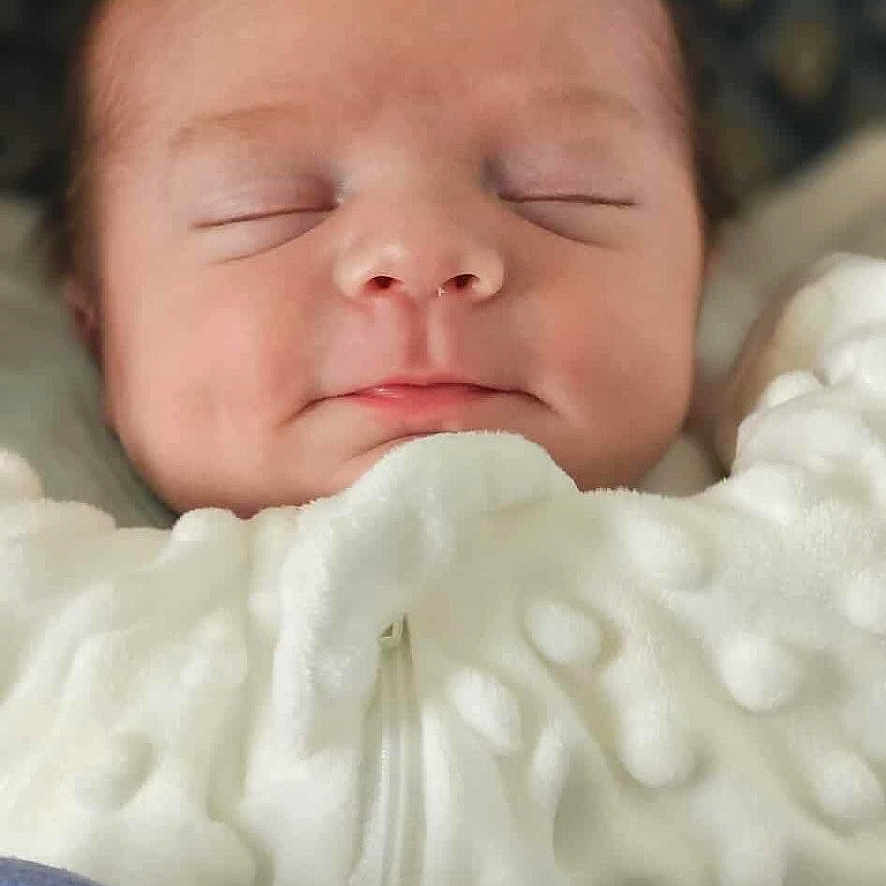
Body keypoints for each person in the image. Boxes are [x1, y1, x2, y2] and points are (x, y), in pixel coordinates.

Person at [50, 0, 726, 516]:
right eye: (264, 202)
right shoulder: (47, 587)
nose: (418, 252)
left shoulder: (799, 504)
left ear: (699, 282)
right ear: (98, 327)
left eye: (558, 189)